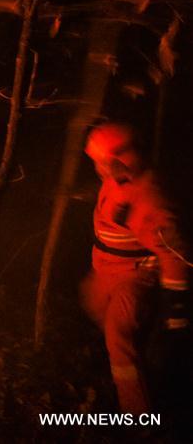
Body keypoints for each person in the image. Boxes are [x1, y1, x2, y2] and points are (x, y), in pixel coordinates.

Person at [80, 122, 189, 414]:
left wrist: (175, 309)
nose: (97, 169)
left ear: (120, 160)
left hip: (132, 276)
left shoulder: (147, 199)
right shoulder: (118, 178)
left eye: (100, 163)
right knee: (92, 302)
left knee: (119, 338)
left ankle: (138, 415)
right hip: (106, 270)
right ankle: (139, 364)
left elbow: (174, 254)